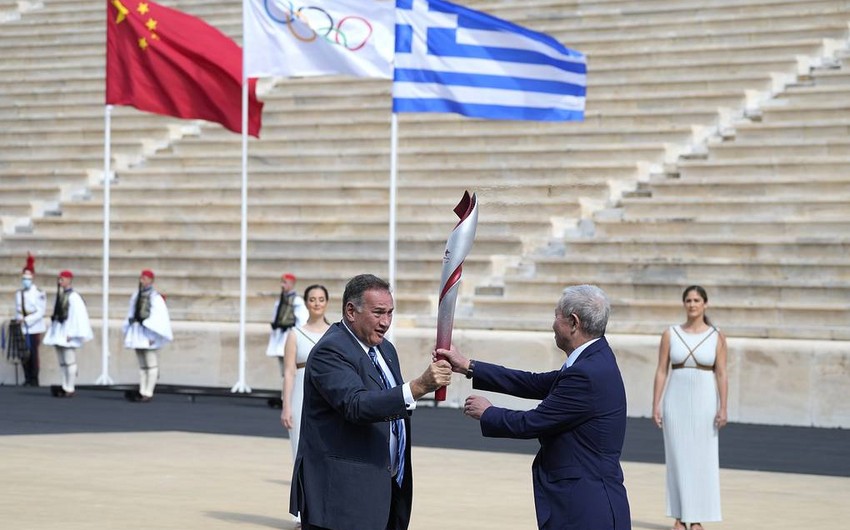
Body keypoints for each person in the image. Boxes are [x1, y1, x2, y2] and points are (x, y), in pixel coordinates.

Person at [437, 284, 631, 530]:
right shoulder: (594, 357)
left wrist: (488, 413)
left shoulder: (587, 372)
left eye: (556, 316)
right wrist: (468, 365)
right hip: (586, 499)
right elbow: (534, 382)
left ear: (573, 322)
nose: (553, 324)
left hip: (585, 506)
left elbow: (534, 422)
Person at [289, 274, 453, 530]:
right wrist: (419, 386)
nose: (386, 322)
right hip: (343, 500)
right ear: (351, 311)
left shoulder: (385, 349)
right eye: (378, 313)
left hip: (386, 488)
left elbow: (392, 401)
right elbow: (356, 405)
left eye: (390, 313)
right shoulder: (329, 351)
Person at [652, 285, 728, 530]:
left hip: (706, 400)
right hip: (676, 400)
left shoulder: (717, 335)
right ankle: (679, 516)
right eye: (688, 300)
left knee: (702, 459)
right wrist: (656, 404)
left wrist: (723, 406)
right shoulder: (670, 334)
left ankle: (695, 517)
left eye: (697, 300)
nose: (692, 304)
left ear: (705, 304)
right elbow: (662, 370)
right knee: (678, 458)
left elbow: (722, 373)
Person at [281, 284, 331, 527]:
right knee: (300, 454)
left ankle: (325, 512)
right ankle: (301, 513)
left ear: (327, 302)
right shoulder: (295, 334)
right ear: (306, 302)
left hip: (328, 394)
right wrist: (286, 405)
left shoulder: (336, 333)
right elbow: (289, 371)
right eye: (312, 299)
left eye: (321, 299)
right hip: (301, 393)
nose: (317, 303)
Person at [122, 269, 172, 403]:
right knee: (142, 365)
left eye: (144, 278)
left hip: (148, 332)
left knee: (151, 364)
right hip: (138, 332)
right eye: (141, 278)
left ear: (150, 280)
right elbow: (131, 312)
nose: (141, 280)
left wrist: (152, 334)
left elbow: (158, 318)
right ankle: (142, 390)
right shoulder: (137, 295)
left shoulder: (155, 297)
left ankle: (148, 391)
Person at [43, 270, 93, 398]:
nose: (60, 281)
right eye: (60, 279)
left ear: (69, 280)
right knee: (62, 361)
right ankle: (65, 385)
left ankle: (70, 387)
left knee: (69, 360)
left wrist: (73, 332)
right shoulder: (60, 296)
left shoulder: (74, 297)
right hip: (59, 331)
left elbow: (78, 317)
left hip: (68, 332)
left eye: (63, 279)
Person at [267, 273, 309, 378]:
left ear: (291, 284)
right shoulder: (281, 300)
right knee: (284, 369)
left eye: (285, 282)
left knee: (291, 369)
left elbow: (302, 321)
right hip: (281, 336)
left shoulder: (296, 301)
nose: (282, 285)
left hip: (290, 336)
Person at [14, 253, 47, 386]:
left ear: (32, 278)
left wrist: (27, 320)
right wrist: (19, 318)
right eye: (24, 278)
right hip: (22, 327)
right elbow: (17, 309)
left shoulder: (39, 293)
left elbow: (40, 311)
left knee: (33, 353)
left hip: (34, 327)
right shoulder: (19, 293)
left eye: (28, 278)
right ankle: (27, 377)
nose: (25, 280)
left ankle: (34, 378)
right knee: (23, 353)